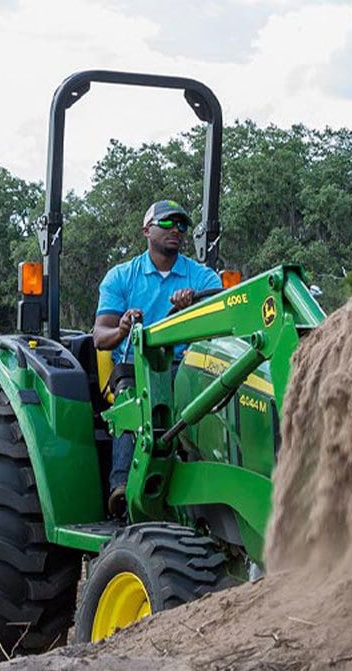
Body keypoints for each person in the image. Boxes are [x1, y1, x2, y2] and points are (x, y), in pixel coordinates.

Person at [93, 199, 222, 516]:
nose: (175, 230)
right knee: (135, 396)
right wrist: (123, 328)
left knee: (219, 394)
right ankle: (122, 487)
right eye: (166, 223)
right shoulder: (122, 277)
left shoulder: (202, 278)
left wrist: (192, 310)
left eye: (181, 225)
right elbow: (100, 336)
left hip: (187, 364)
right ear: (146, 230)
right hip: (136, 366)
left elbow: (220, 321)